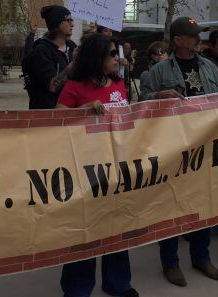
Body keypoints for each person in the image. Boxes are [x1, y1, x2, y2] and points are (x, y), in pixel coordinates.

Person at [140, 17, 218, 287]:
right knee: (170, 203)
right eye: (193, 36)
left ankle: (201, 257)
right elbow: (141, 101)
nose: (198, 39)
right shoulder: (159, 71)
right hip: (172, 146)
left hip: (206, 144)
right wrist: (158, 97)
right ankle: (170, 262)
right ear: (179, 40)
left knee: (205, 202)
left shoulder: (210, 67)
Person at [56, 33, 137, 297]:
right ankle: (78, 288)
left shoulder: (119, 84)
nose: (118, 58)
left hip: (116, 166)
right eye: (112, 53)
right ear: (96, 58)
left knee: (117, 225)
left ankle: (118, 282)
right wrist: (85, 110)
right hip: (85, 170)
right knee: (85, 229)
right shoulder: (75, 87)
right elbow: (56, 120)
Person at [23, 5, 77, 109]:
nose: (72, 24)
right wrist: (75, 63)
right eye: (68, 20)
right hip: (48, 115)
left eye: (72, 20)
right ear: (57, 23)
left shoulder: (72, 47)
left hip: (69, 112)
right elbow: (53, 86)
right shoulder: (41, 51)